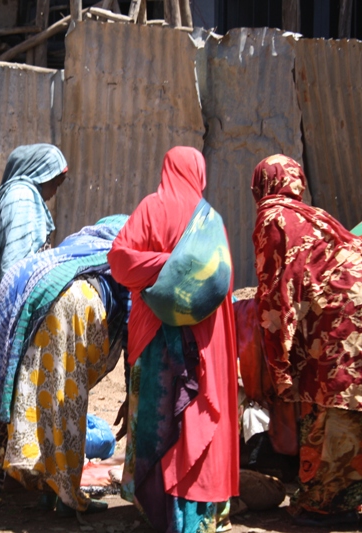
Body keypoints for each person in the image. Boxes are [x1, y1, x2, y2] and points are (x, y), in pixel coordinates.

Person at [107, 146, 239, 533]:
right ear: (199, 173)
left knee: (156, 414)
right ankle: (196, 516)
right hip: (202, 339)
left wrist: (160, 267)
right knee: (195, 416)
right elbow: (221, 282)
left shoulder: (152, 206)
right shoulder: (211, 220)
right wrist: (181, 265)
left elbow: (120, 261)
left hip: (155, 336)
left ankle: (158, 509)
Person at [251, 155, 362, 527]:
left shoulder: (272, 218)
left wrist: (279, 367)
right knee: (350, 398)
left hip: (342, 314)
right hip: (352, 304)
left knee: (332, 400)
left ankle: (324, 503)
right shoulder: (315, 215)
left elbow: (274, 298)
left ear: (260, 184)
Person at [0, 215, 130, 516]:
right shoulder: (124, 253)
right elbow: (133, 319)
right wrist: (130, 389)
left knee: (47, 399)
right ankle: (69, 498)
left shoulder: (77, 248)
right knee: (69, 403)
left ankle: (48, 491)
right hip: (82, 307)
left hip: (47, 307)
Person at [0, 143, 68, 499]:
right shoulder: (22, 199)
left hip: (5, 308)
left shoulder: (16, 196)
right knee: (16, 390)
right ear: (40, 172)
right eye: (56, 179)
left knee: (15, 391)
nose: (56, 190)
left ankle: (6, 473)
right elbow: (19, 265)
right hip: (15, 311)